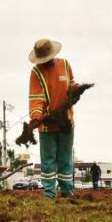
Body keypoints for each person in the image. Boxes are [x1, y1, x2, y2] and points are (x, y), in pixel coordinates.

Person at [28, 38, 79, 200]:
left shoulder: (65, 64)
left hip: (66, 122)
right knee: (48, 162)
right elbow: (36, 98)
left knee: (65, 160)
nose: (45, 62)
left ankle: (67, 192)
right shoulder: (36, 72)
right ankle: (49, 194)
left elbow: (70, 84)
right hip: (47, 126)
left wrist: (76, 89)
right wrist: (36, 117)